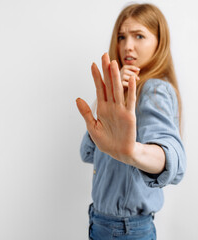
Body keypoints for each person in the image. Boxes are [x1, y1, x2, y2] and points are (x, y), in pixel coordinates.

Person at [76, 3, 186, 240]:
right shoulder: (127, 93)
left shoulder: (154, 90)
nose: (128, 46)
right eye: (122, 36)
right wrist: (109, 99)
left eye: (139, 36)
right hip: (102, 222)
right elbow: (87, 153)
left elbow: (173, 159)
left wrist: (133, 151)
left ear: (159, 42)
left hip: (125, 229)